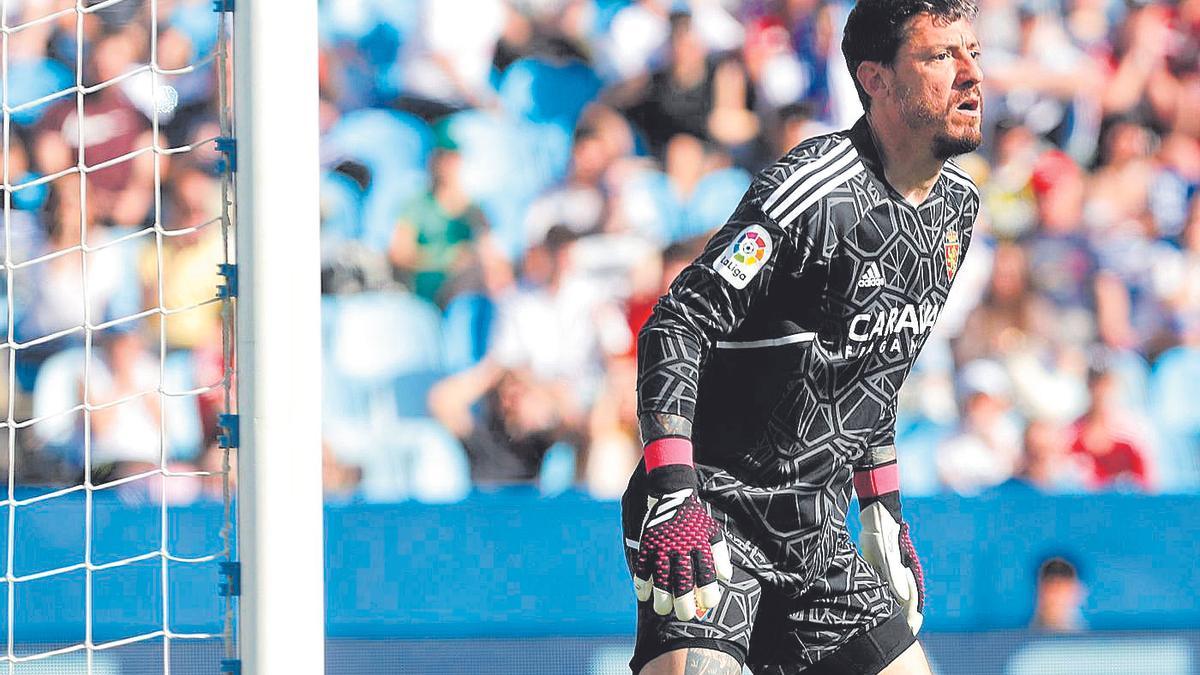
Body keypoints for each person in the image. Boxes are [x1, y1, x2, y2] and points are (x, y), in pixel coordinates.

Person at [620, 0, 984, 672]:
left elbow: (873, 371)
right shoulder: (812, 191)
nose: (970, 76)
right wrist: (672, 491)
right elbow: (676, 324)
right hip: (713, 509)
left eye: (973, 55)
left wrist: (881, 510)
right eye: (940, 56)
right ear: (875, 79)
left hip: (816, 535)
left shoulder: (956, 212)